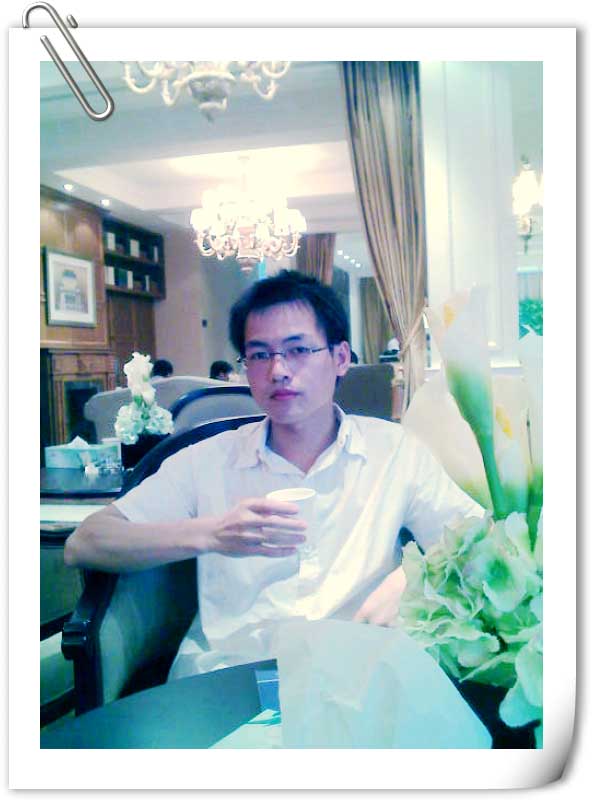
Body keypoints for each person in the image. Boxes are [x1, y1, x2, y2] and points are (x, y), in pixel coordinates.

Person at [65, 270, 483, 679]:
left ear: (340, 358)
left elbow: (477, 536)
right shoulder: (206, 460)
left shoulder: (393, 451)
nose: (278, 370)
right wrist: (212, 534)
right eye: (260, 354)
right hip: (233, 675)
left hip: (359, 671)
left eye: (298, 350)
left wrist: (413, 575)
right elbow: (85, 543)